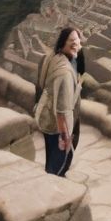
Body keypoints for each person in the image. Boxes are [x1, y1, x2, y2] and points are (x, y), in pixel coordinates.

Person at [33, 27, 83, 176]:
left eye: (77, 39)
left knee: (51, 159)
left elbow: (41, 85)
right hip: (57, 125)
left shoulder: (52, 56)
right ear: (63, 43)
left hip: (46, 116)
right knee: (60, 163)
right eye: (72, 40)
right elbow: (62, 112)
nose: (76, 43)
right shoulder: (65, 74)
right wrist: (65, 138)